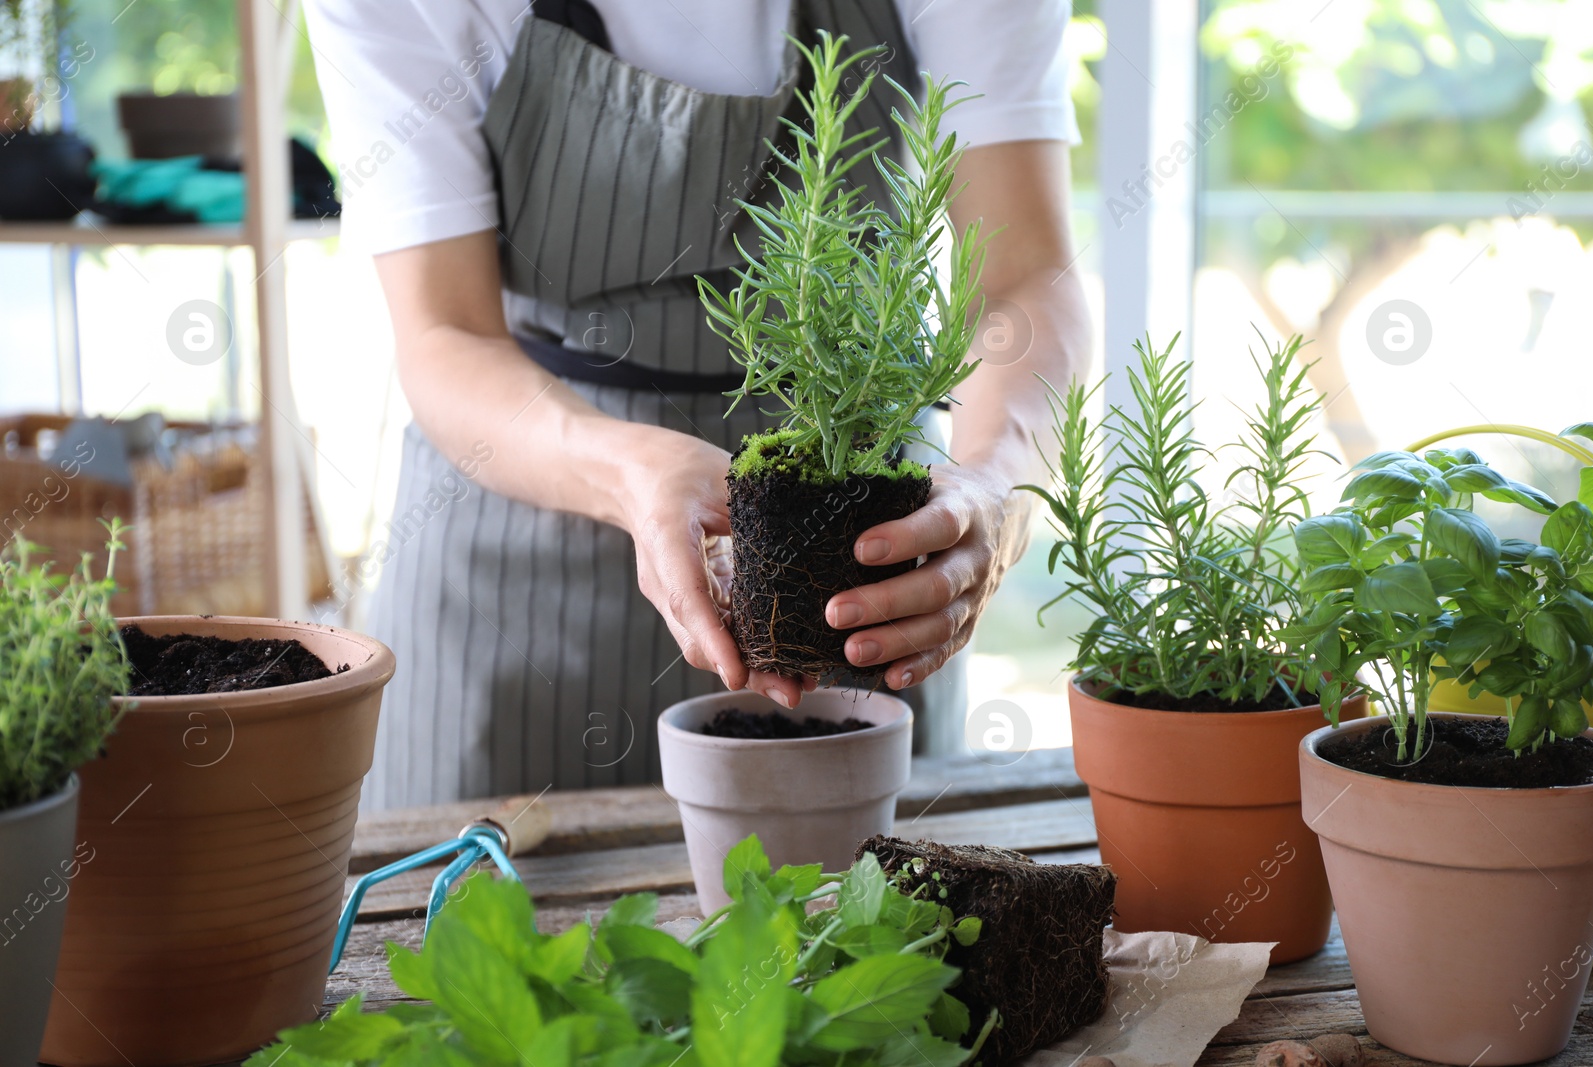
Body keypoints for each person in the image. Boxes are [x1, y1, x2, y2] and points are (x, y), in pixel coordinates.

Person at [304, 0, 1092, 808]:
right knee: (499, 921)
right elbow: (444, 334)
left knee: (859, 919)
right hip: (521, 557)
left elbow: (1024, 276)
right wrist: (628, 469)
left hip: (854, 554)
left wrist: (995, 486)